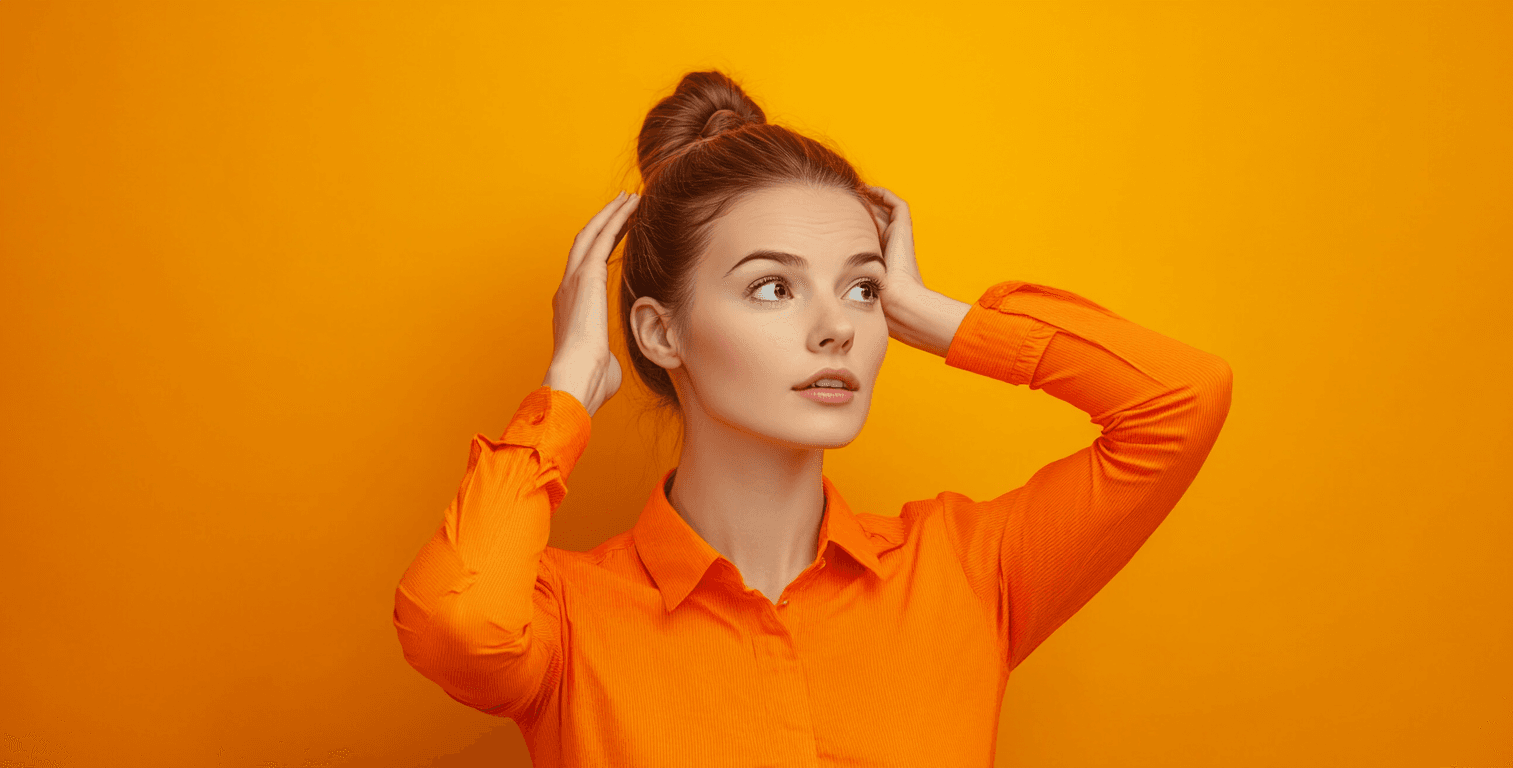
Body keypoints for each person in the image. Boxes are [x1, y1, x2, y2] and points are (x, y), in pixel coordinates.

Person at [393, 69, 1233, 766]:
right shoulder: (571, 617)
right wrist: (568, 388)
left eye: (861, 287)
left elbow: (1182, 400)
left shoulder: (964, 575)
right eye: (773, 286)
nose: (838, 325)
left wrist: (928, 311)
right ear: (660, 330)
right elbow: (457, 625)